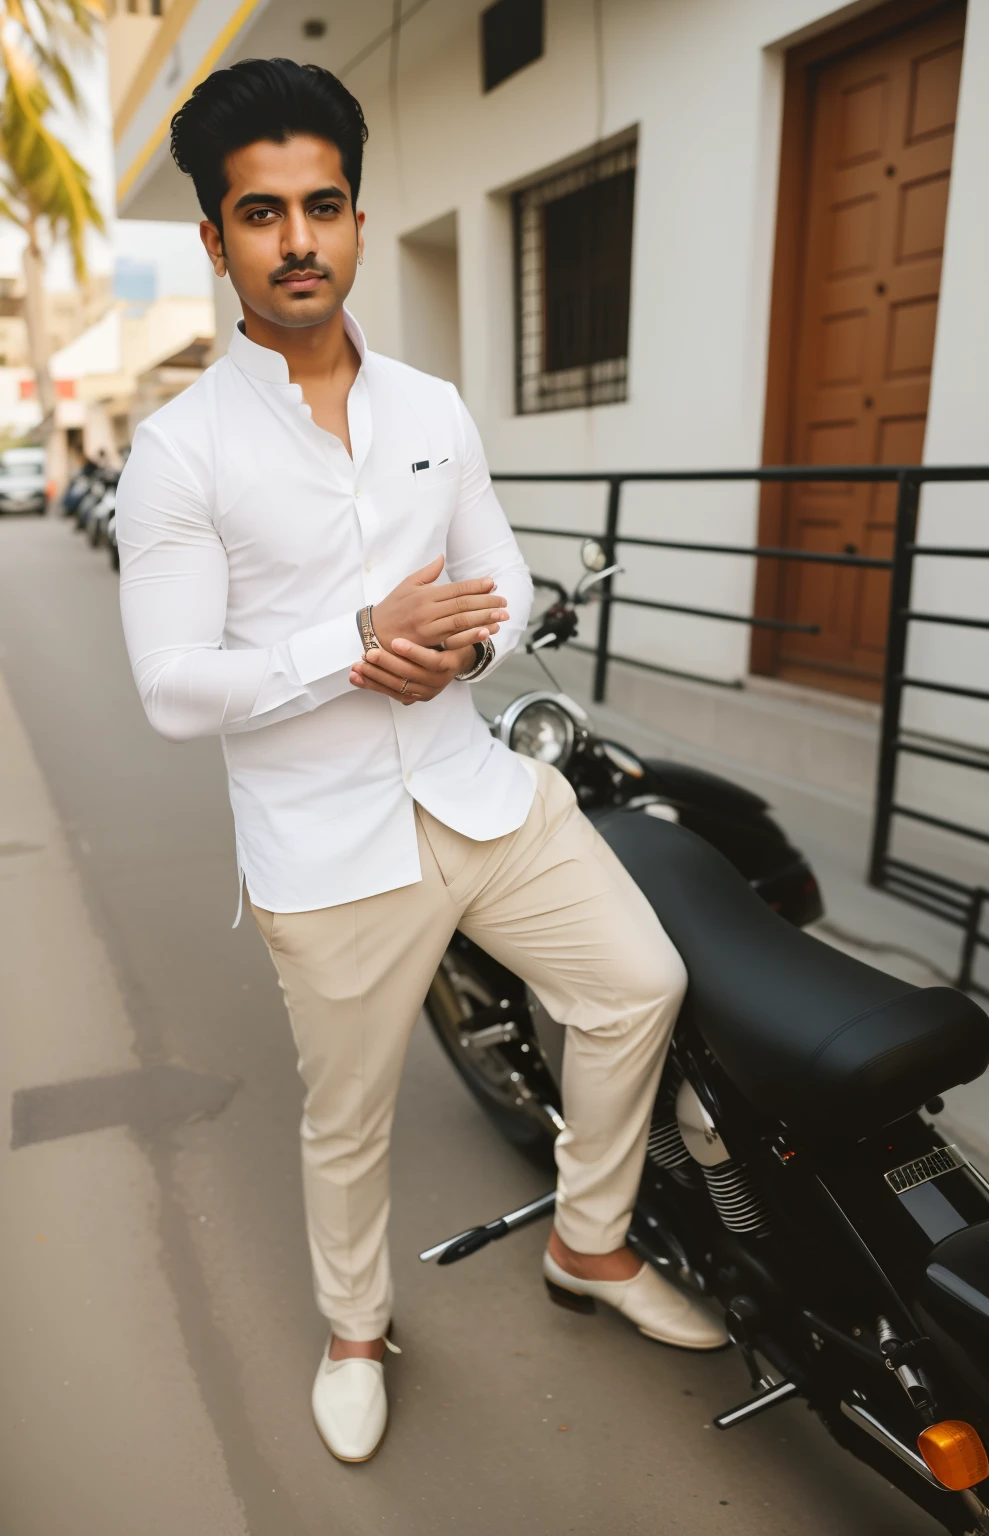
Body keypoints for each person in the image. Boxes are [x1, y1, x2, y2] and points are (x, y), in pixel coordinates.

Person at [116, 57, 725, 1466]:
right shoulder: (178, 453)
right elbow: (167, 688)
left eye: (321, 205)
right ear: (214, 241)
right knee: (351, 1119)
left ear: (357, 215)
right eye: (261, 215)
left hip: (478, 792)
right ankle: (355, 1329)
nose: (299, 240)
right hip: (324, 848)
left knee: (639, 985)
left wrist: (451, 650)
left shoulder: (435, 410)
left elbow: (497, 582)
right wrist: (354, 640)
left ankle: (591, 1242)